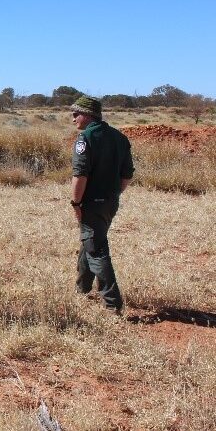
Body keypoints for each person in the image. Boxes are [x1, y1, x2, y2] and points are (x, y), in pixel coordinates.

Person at [70, 95, 134, 314]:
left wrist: (76, 203)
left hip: (91, 203)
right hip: (110, 202)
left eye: (76, 114)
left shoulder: (85, 139)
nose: (73, 119)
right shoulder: (119, 137)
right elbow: (127, 175)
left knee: (96, 249)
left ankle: (112, 303)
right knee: (90, 239)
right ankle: (82, 287)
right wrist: (113, 194)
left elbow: (80, 176)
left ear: (88, 115)